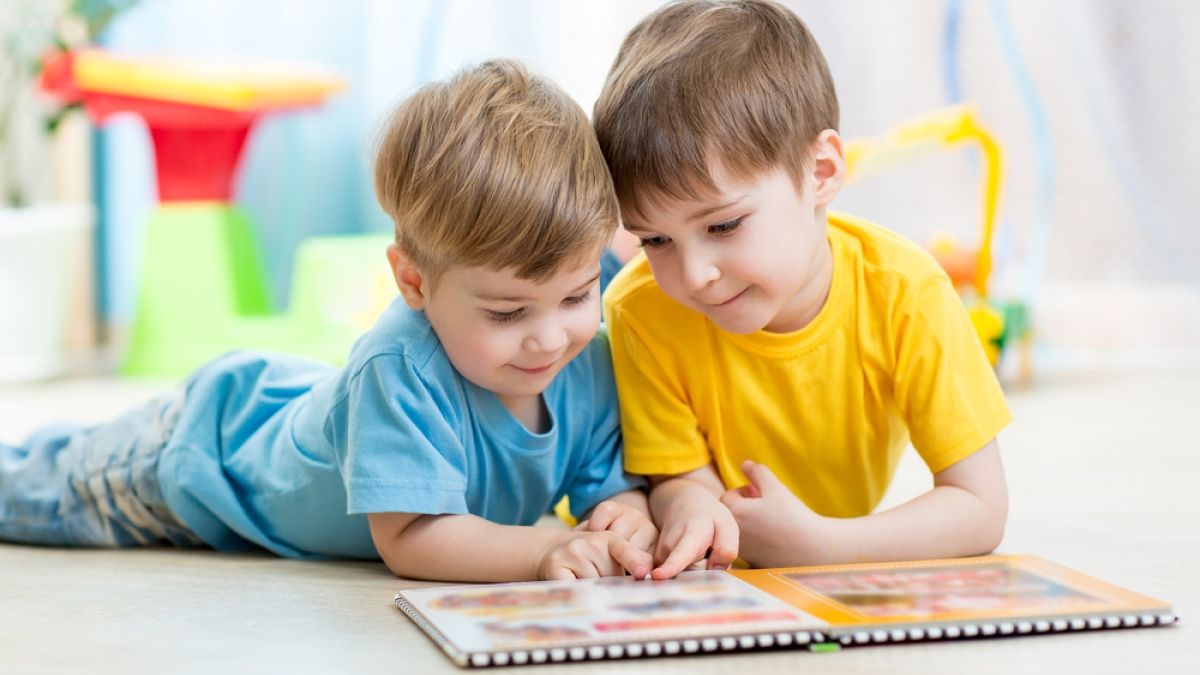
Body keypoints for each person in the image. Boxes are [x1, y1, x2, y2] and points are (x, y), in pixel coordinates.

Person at [0, 59, 656, 583]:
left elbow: (609, 485)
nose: (551, 337)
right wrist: (542, 550)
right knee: (35, 490)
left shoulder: (590, 362)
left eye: (577, 296)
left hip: (293, 407)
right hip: (196, 459)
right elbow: (414, 537)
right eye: (508, 311)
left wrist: (623, 522)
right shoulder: (401, 368)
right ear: (413, 282)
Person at [593, 0, 1012, 579]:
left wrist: (823, 544)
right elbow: (677, 475)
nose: (693, 276)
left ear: (821, 173)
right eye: (656, 240)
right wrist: (690, 504)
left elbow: (981, 506)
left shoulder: (908, 293)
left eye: (723, 226)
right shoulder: (639, 309)